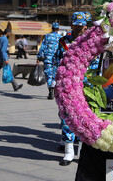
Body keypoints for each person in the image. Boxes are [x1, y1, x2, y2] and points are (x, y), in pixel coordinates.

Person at [57, 12, 88, 166]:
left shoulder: (89, 41)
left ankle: (83, 152)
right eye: (76, 25)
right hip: (67, 84)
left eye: (81, 26)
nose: (79, 28)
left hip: (85, 85)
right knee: (66, 117)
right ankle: (69, 152)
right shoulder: (63, 41)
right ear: (71, 25)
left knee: (85, 117)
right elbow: (58, 61)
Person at [0, 28, 23, 93]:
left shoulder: (0, 38)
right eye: (10, 33)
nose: (10, 34)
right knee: (8, 72)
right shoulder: (5, 39)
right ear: (8, 33)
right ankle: (15, 86)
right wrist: (6, 59)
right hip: (3, 59)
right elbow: (3, 50)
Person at [37, 22, 62, 99]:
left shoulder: (47, 36)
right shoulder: (60, 37)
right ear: (58, 29)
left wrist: (39, 56)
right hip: (56, 59)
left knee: (48, 74)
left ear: (52, 28)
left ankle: (50, 91)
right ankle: (53, 89)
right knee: (55, 75)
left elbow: (43, 46)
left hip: (47, 58)